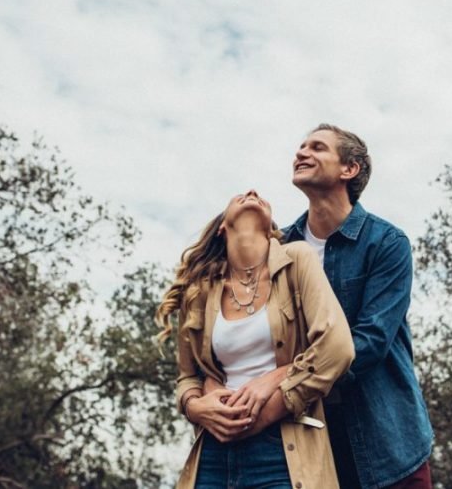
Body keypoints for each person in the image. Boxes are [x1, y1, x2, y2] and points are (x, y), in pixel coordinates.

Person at [156, 189, 354, 489]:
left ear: (271, 227)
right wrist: (194, 407)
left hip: (284, 448)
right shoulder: (198, 290)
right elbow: (188, 377)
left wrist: (273, 397)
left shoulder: (297, 260)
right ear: (223, 227)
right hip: (213, 450)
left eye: (260, 195)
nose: (251, 192)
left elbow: (336, 348)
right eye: (238, 195)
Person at [283, 124, 434, 489]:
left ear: (349, 169)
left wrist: (283, 388)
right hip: (305, 443)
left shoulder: (386, 243)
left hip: (386, 443)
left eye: (317, 147)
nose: (301, 153)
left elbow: (370, 340)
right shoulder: (279, 248)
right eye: (301, 146)